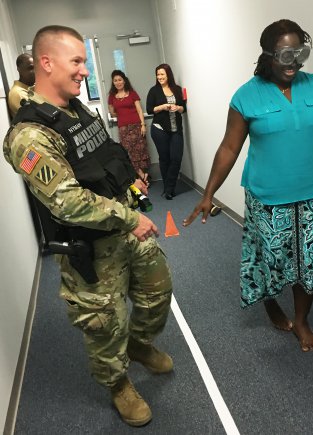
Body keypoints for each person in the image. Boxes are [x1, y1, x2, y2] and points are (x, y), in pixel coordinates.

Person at [3, 25, 174, 427]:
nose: (84, 70)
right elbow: (68, 202)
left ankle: (141, 343)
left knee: (157, 292)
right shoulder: (28, 137)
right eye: (76, 61)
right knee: (104, 326)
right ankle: (118, 384)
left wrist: (132, 180)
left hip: (126, 227)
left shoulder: (75, 109)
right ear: (46, 62)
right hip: (92, 249)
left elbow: (105, 156)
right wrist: (132, 218)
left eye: (84, 60)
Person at [183, 19, 313, 352]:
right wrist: (208, 193)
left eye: (300, 53)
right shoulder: (246, 96)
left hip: (312, 195)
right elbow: (229, 147)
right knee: (271, 260)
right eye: (284, 55)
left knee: (309, 263)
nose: (293, 63)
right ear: (267, 55)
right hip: (266, 198)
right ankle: (269, 301)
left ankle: (302, 320)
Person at [146, 64, 186, 200]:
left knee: (176, 158)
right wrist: (163, 106)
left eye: (162, 74)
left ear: (168, 75)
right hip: (159, 129)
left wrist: (178, 108)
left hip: (176, 129)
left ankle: (169, 187)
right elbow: (149, 109)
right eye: (158, 74)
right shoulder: (154, 91)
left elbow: (184, 108)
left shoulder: (177, 89)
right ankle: (168, 189)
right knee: (165, 159)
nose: (160, 77)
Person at [108, 69, 150, 183]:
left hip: (137, 127)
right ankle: (141, 176)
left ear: (124, 81)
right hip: (123, 129)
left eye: (120, 80)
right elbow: (112, 112)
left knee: (141, 152)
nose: (118, 82)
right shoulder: (112, 96)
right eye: (115, 80)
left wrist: (143, 125)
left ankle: (144, 177)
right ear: (113, 82)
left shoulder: (132, 93)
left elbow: (140, 110)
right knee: (128, 153)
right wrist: (123, 114)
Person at [7, 53, 35, 118]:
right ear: (19, 70)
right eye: (30, 68)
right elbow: (36, 117)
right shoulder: (19, 93)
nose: (35, 71)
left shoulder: (29, 88)